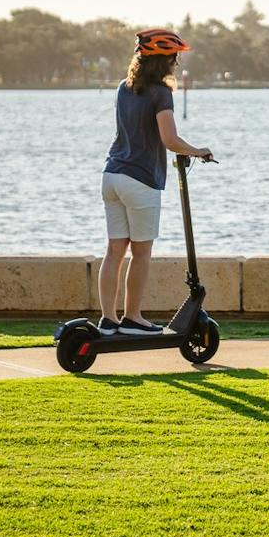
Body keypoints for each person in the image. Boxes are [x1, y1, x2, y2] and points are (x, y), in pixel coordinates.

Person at [98, 28, 211, 335]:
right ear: (162, 61)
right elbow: (170, 139)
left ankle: (108, 320)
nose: (176, 63)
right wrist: (198, 151)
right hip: (140, 180)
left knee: (114, 251)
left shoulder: (123, 87)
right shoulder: (161, 93)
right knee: (141, 253)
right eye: (173, 57)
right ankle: (133, 317)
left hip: (112, 176)